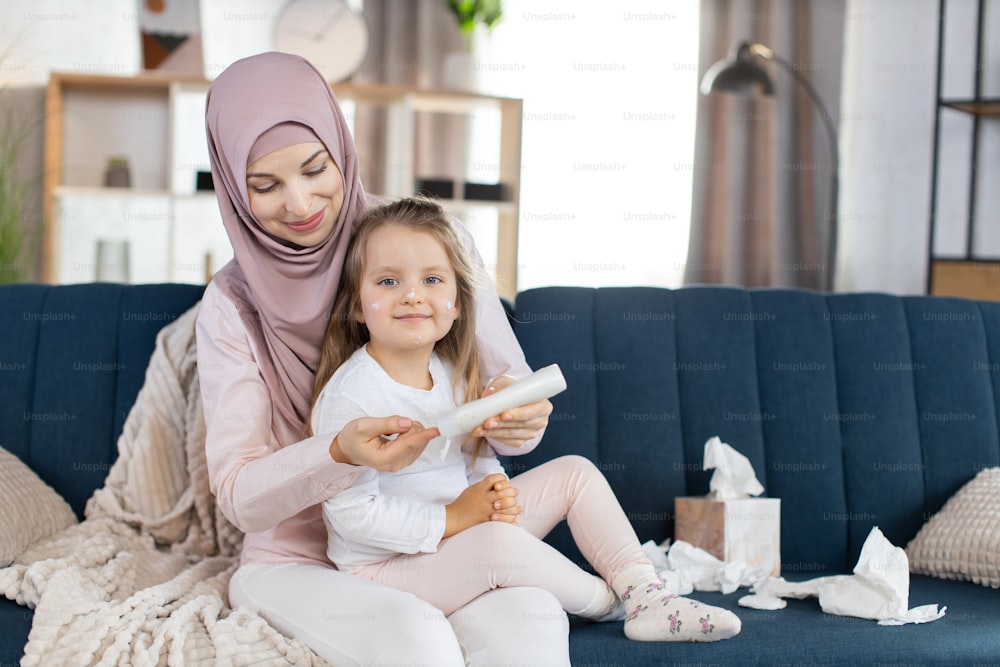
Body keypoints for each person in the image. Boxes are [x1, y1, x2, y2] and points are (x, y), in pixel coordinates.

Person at [197, 51, 570, 666]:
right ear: (234, 189)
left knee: (533, 620)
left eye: (316, 169)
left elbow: (508, 400)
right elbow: (239, 495)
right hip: (296, 562)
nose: (299, 203)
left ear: (342, 148)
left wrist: (521, 421)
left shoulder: (428, 247)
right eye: (265, 186)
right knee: (418, 637)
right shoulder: (230, 304)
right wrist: (337, 452)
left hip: (438, 540)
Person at [310, 196, 743, 643]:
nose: (413, 294)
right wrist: (455, 519)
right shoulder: (350, 397)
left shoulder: (451, 374)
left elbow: (476, 462)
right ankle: (616, 605)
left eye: (433, 279)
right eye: (387, 280)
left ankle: (644, 591)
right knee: (500, 547)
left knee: (575, 472)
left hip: (463, 534)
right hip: (386, 568)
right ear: (358, 306)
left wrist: (496, 492)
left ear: (458, 302)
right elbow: (353, 518)